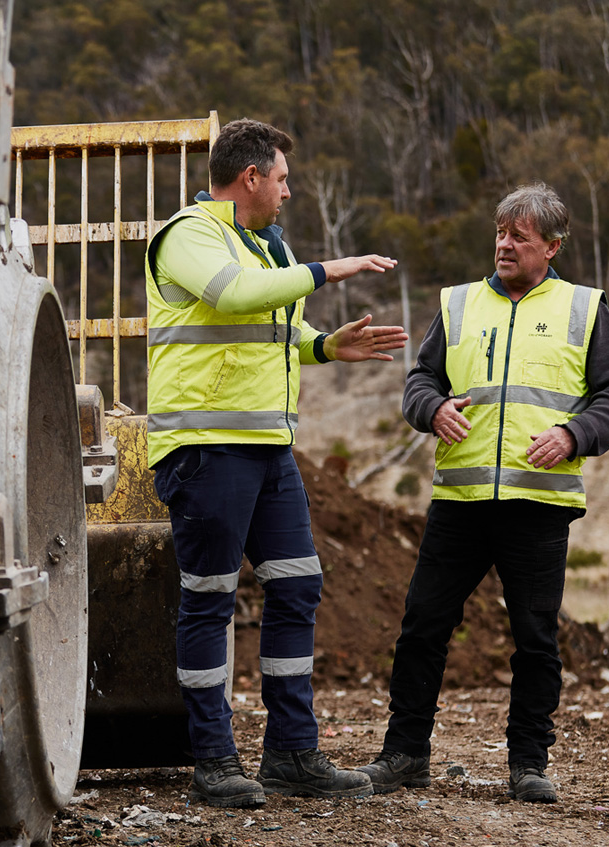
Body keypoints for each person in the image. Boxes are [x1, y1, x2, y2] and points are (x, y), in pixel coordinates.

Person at [145, 118, 408, 807]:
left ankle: (292, 754)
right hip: (206, 448)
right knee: (209, 598)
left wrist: (324, 347)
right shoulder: (190, 234)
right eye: (283, 178)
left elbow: (275, 329)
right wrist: (328, 269)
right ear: (251, 177)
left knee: (298, 584)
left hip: (268, 450)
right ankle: (214, 762)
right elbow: (231, 296)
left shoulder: (265, 246)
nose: (290, 191)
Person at [357, 183, 609, 803]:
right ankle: (404, 755)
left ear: (553, 247)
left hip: (539, 506)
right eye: (501, 234)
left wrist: (573, 434)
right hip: (459, 502)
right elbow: (420, 380)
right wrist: (431, 410)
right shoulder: (458, 305)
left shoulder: (584, 308)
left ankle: (528, 764)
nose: (505, 246)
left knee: (535, 638)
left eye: (521, 237)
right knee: (423, 626)